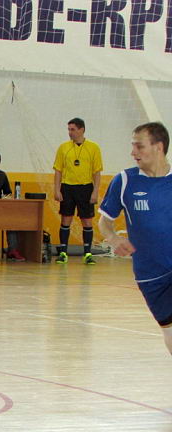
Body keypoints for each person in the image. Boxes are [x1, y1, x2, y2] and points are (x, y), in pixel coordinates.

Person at [99, 122, 172, 355]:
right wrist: (113, 238)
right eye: (133, 146)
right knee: (169, 331)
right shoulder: (124, 181)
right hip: (151, 274)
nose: (133, 152)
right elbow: (104, 222)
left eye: (139, 146)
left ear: (158, 147)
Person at [53, 117, 103, 265]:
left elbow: (97, 172)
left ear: (82, 130)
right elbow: (58, 170)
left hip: (85, 187)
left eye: (73, 129)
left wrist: (95, 191)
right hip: (67, 187)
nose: (70, 132)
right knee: (66, 219)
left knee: (87, 221)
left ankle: (87, 253)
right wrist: (57, 190)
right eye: (69, 129)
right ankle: (63, 252)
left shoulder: (93, 148)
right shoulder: (63, 148)